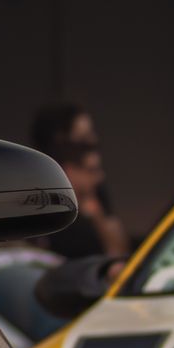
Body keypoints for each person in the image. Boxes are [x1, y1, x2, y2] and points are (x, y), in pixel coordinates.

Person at [31, 100, 128, 260]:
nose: (93, 141)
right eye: (84, 143)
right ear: (60, 142)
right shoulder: (38, 189)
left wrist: (93, 205)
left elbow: (118, 252)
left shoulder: (94, 181)